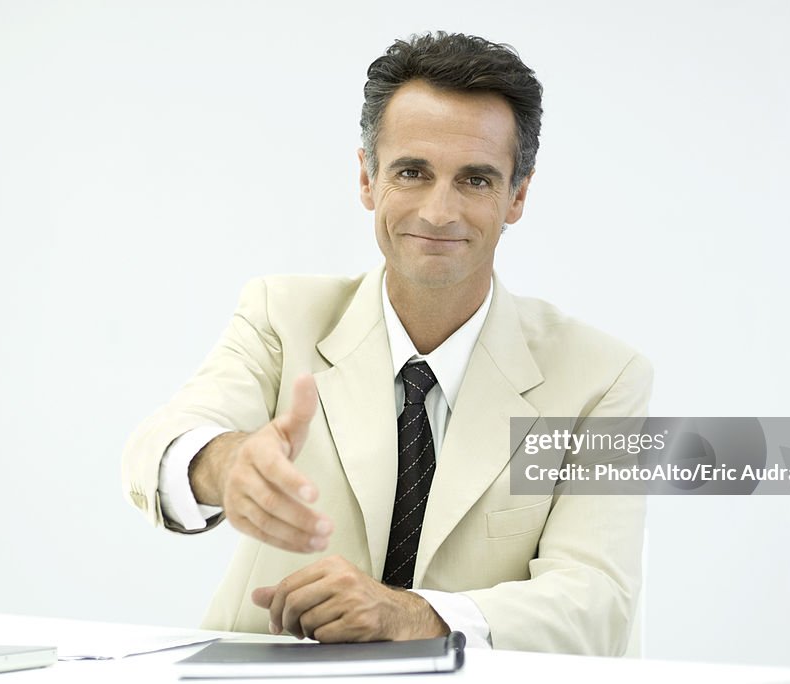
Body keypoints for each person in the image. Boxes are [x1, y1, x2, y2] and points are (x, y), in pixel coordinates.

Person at [122, 31, 651, 655]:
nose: (438, 211)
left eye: (476, 180)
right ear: (369, 179)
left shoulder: (603, 377)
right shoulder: (282, 315)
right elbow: (159, 445)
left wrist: (413, 616)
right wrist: (222, 465)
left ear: (518, 196)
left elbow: (596, 601)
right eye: (412, 172)